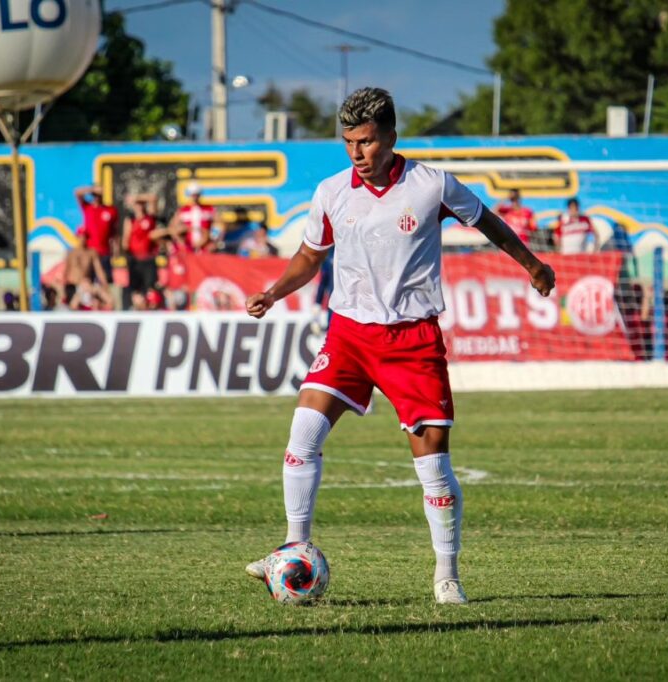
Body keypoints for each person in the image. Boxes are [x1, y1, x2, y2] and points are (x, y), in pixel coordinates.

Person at [243, 88, 555, 605]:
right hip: (348, 335)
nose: (357, 153)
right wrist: (273, 292)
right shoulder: (331, 192)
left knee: (432, 464)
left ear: (390, 136)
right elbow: (308, 255)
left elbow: (488, 223)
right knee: (302, 434)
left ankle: (446, 574)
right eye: (348, 143)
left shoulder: (432, 185)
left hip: (412, 340)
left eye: (366, 142)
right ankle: (293, 548)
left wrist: (532, 264)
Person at [121, 192, 166, 309]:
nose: (139, 206)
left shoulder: (150, 217)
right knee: (135, 289)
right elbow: (126, 239)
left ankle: (152, 308)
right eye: (137, 204)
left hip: (149, 259)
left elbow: (153, 197)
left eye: (141, 204)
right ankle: (136, 308)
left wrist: (136, 197)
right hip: (135, 260)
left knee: (151, 288)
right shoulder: (130, 219)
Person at [74, 184, 119, 281]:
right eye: (94, 195)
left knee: (105, 280)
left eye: (98, 195)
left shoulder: (111, 210)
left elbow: (114, 233)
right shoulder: (87, 208)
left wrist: (116, 249)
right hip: (90, 253)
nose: (96, 197)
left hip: (105, 253)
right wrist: (92, 189)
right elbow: (77, 193)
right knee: (88, 280)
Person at [62, 228, 113, 310]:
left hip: (88, 285)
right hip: (74, 286)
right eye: (81, 236)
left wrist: (105, 286)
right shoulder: (71, 253)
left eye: (84, 237)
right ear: (77, 237)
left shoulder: (91, 253)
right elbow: (65, 272)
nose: (82, 239)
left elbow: (99, 271)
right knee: (74, 304)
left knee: (109, 300)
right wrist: (64, 290)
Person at [168, 182, 217, 253]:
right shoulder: (182, 211)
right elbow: (173, 228)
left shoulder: (209, 209)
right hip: (188, 247)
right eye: (193, 195)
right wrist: (180, 242)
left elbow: (219, 226)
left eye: (196, 194)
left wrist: (213, 240)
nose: (194, 197)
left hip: (206, 247)